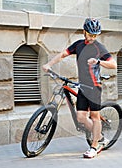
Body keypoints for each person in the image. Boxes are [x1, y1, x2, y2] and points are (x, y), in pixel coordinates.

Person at [42, 18, 117, 158]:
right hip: (83, 87)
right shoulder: (78, 45)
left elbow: (113, 64)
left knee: (95, 117)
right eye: (90, 34)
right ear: (84, 31)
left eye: (95, 35)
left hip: (94, 87)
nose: (92, 37)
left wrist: (99, 61)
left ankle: (94, 147)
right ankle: (100, 137)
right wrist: (49, 65)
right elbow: (63, 54)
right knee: (81, 117)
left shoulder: (99, 48)